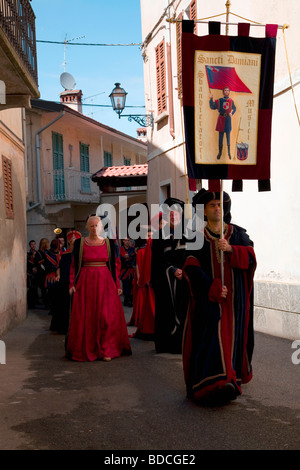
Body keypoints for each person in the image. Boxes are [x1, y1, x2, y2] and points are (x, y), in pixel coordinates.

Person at [182, 188, 256, 404]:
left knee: (233, 338)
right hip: (209, 301)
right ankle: (212, 382)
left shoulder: (239, 234)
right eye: (212, 205)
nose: (217, 208)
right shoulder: (196, 237)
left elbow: (251, 258)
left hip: (235, 302)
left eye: (220, 205)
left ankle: (231, 378)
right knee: (212, 336)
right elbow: (190, 265)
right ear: (204, 211)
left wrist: (233, 250)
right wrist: (211, 286)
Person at [66, 215, 132, 362]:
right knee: (87, 317)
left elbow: (114, 266)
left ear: (101, 227)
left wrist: (117, 285)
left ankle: (107, 348)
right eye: (91, 226)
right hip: (85, 283)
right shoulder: (79, 243)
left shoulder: (109, 243)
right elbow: (73, 266)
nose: (94, 229)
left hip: (105, 283)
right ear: (87, 227)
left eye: (97, 226)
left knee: (106, 316)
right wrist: (72, 284)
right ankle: (88, 348)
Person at [151, 198, 190, 354]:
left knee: (186, 312)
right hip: (166, 283)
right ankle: (168, 345)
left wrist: (186, 270)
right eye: (170, 214)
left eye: (176, 214)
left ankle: (186, 343)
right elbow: (157, 261)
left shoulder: (190, 234)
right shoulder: (159, 236)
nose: (173, 217)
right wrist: (172, 269)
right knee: (166, 312)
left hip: (186, 281)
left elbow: (194, 258)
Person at [50, 231, 81, 334]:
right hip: (65, 281)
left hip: (78, 281)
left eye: (75, 241)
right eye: (72, 241)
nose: (73, 243)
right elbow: (59, 267)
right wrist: (58, 275)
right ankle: (63, 327)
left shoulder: (82, 253)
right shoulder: (65, 254)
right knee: (63, 304)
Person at [128, 226, 155, 339]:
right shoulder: (141, 251)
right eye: (147, 235)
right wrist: (139, 279)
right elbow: (138, 266)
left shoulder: (154, 247)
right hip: (145, 281)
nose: (149, 237)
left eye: (150, 235)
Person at [209, 86, 236, 160]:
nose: (227, 92)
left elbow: (235, 108)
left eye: (228, 90)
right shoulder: (219, 101)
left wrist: (232, 113)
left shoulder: (231, 101)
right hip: (221, 120)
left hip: (227, 120)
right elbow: (212, 106)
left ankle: (229, 153)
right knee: (220, 137)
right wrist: (211, 99)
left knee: (228, 137)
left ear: (229, 92)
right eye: (225, 90)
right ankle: (220, 153)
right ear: (223, 92)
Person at [44, 239, 61, 317]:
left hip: (58, 275)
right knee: (51, 293)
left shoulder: (61, 253)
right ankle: (51, 308)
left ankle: (55, 308)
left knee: (56, 294)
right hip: (51, 275)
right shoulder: (47, 254)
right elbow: (46, 266)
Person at [120, 238, 136, 307]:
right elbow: (118, 258)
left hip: (131, 269)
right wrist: (123, 257)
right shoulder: (120, 249)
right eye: (126, 240)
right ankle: (127, 300)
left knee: (131, 285)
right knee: (125, 285)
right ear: (123, 241)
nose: (127, 242)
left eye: (128, 240)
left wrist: (129, 256)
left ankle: (131, 300)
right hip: (124, 270)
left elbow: (134, 257)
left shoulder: (132, 249)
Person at [27, 240, 38, 308]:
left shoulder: (37, 253)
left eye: (34, 244)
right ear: (30, 245)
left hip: (36, 273)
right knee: (31, 288)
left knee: (35, 288)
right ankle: (31, 303)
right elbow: (27, 264)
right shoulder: (28, 254)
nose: (33, 246)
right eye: (32, 244)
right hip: (30, 273)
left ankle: (35, 301)